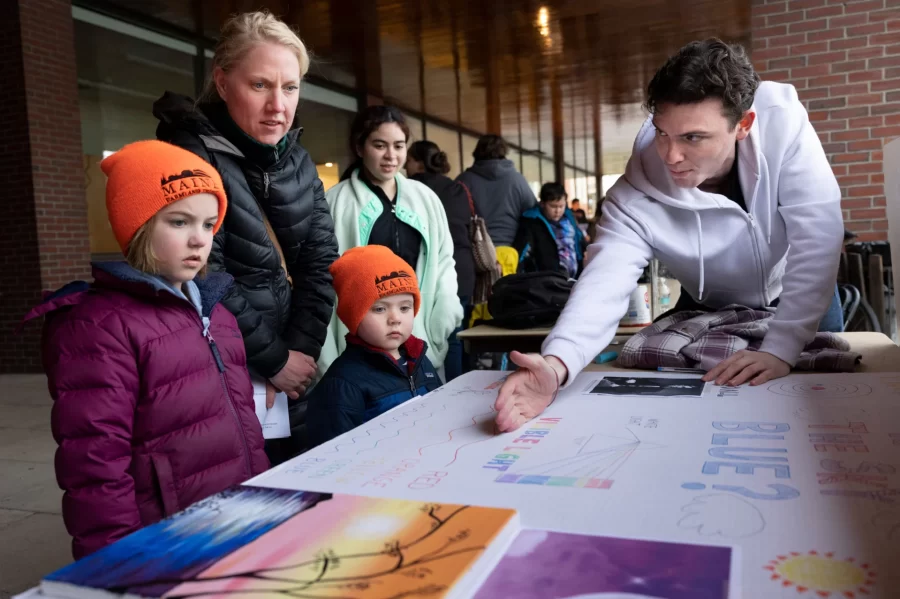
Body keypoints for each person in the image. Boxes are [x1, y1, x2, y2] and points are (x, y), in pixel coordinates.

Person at [494, 38, 843, 432]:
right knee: (703, 421)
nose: (671, 156)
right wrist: (557, 364)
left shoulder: (783, 123)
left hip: (800, 290)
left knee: (823, 411)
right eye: (662, 132)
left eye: (693, 137)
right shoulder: (637, 190)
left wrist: (782, 348)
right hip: (710, 302)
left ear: (743, 125)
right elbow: (603, 283)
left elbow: (818, 237)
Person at [21, 141, 269, 558]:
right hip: (166, 536)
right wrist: (118, 562)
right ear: (137, 224)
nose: (198, 239)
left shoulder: (219, 314)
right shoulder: (99, 326)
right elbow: (95, 464)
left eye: (209, 225)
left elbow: (247, 429)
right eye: (178, 221)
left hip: (236, 519)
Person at [154, 11, 338, 461]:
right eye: (260, 85)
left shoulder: (299, 161)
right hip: (222, 368)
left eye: (290, 87)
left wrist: (299, 356)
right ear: (221, 82)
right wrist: (274, 360)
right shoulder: (188, 156)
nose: (279, 104)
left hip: (294, 372)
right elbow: (201, 272)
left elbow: (321, 264)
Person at [321, 106, 463, 374]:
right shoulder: (336, 202)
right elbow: (324, 275)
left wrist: (444, 316)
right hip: (360, 342)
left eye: (398, 146)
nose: (391, 156)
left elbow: (444, 260)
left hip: (420, 335)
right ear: (360, 147)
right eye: (379, 145)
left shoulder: (426, 199)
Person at [306, 246, 442, 446]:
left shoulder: (420, 360)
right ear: (354, 317)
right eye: (379, 309)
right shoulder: (342, 383)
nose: (395, 318)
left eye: (404, 307)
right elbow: (332, 455)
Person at [406, 140, 475, 380]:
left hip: (432, 271)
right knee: (456, 334)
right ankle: (459, 384)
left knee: (426, 336)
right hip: (464, 269)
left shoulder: (412, 190)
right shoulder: (458, 187)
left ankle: (433, 388)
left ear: (417, 161)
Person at [455, 134, 537, 247]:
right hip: (510, 251)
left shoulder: (463, 181)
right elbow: (532, 213)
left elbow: (454, 217)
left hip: (475, 251)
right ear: (504, 151)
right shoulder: (517, 180)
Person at [514, 182, 586, 277]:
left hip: (576, 277)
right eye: (553, 206)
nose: (558, 211)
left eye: (561, 206)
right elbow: (522, 253)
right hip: (547, 281)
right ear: (542, 204)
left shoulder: (569, 218)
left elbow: (579, 240)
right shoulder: (532, 221)